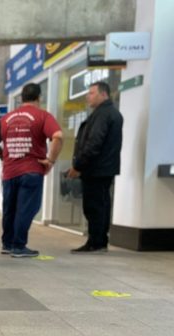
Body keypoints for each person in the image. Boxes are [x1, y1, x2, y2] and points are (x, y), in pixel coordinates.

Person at [0, 82, 64, 257]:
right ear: (39, 98)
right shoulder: (43, 116)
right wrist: (50, 160)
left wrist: (3, 157)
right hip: (31, 170)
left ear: (21, 98)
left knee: (9, 209)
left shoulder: (5, 119)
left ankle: (7, 243)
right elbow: (58, 136)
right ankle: (19, 246)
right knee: (25, 209)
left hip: (9, 172)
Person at [67, 81, 124, 253]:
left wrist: (78, 166)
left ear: (103, 94)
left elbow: (93, 144)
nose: (87, 96)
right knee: (101, 204)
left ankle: (96, 242)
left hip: (97, 169)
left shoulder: (104, 114)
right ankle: (98, 240)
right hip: (103, 168)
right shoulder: (109, 113)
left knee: (94, 206)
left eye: (91, 93)